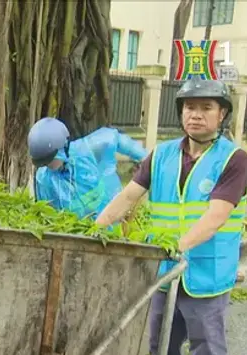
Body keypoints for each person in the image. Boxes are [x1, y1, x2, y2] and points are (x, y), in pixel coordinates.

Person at [96, 79, 247, 355]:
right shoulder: (162, 154)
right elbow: (128, 197)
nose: (196, 114)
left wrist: (177, 246)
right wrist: (93, 231)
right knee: (159, 346)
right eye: (189, 107)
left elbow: (216, 216)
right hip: (165, 274)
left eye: (206, 108)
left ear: (222, 114)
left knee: (207, 348)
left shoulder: (233, 160)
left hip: (206, 277)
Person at [27, 117, 147, 220]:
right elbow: (47, 211)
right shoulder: (44, 178)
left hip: (110, 224)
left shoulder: (91, 149)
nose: (48, 164)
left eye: (50, 159)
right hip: (75, 235)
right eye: (43, 162)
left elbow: (117, 139)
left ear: (63, 147)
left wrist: (145, 159)